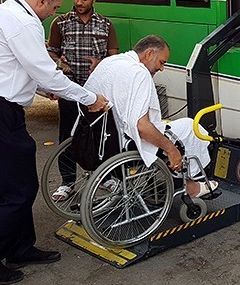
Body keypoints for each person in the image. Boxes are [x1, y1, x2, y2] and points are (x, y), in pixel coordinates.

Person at [0, 0, 109, 285]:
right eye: (54, 7)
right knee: (20, 190)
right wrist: (90, 97)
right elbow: (45, 70)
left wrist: (43, 91)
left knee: (14, 183)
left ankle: (21, 248)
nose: (52, 14)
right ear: (41, 0)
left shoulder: (2, 12)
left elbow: (12, 65)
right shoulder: (25, 22)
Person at [83, 35, 216, 197]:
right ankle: (192, 186)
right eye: (162, 62)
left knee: (174, 127)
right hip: (124, 144)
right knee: (190, 127)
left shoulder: (109, 62)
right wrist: (170, 149)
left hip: (96, 140)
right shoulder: (139, 73)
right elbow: (142, 127)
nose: (161, 69)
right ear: (149, 54)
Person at [47, 0, 119, 202]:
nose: (79, 2)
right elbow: (51, 52)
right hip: (70, 89)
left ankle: (105, 176)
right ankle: (67, 182)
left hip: (98, 92)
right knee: (68, 135)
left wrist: (102, 63)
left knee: (104, 135)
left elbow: (114, 55)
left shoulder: (106, 25)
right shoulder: (60, 23)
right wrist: (59, 63)